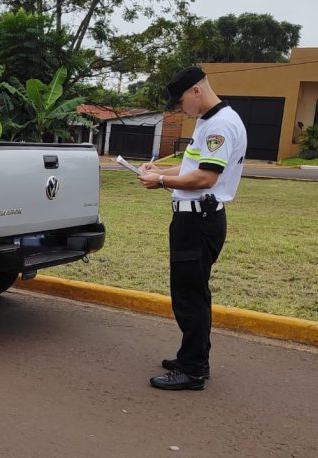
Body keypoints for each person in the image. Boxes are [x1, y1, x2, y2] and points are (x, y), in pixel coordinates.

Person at [138, 66, 247, 390]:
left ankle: (192, 370)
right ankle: (195, 357)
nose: (179, 107)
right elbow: (192, 166)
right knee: (192, 292)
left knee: (189, 296)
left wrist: (159, 181)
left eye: (181, 100)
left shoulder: (222, 125)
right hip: (194, 218)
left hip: (199, 219)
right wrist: (158, 169)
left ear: (197, 90)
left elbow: (205, 177)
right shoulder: (208, 122)